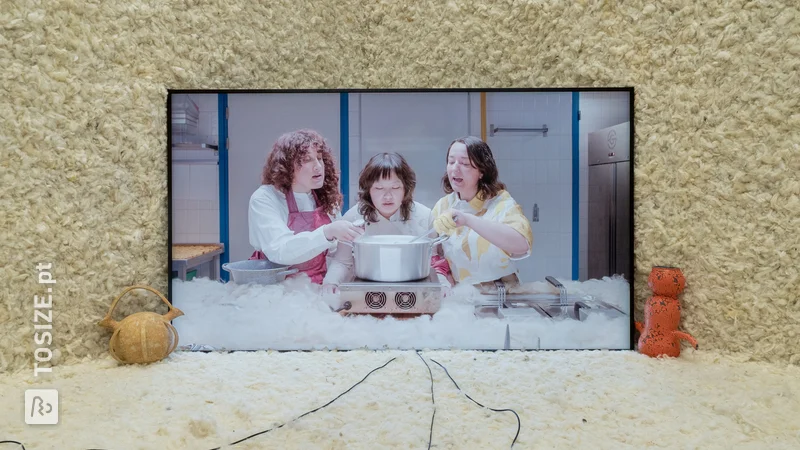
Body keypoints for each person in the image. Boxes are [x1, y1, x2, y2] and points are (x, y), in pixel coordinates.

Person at [248, 129, 364, 284]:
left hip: (315, 288)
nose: (318, 166)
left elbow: (335, 253)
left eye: (320, 158)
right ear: (287, 166)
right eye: (307, 160)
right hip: (273, 289)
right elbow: (280, 251)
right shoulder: (265, 198)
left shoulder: (326, 197)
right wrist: (327, 232)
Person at [429, 136, 533, 291]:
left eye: (464, 163)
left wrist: (468, 219)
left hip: (502, 292)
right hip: (462, 293)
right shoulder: (443, 205)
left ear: (482, 171)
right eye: (451, 162)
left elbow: (521, 245)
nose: (455, 168)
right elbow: (434, 252)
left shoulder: (501, 202)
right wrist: (441, 270)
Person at [322, 152, 433, 294]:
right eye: (379, 188)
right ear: (368, 190)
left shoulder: (424, 216)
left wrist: (444, 286)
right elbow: (343, 261)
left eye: (395, 188)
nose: (387, 196)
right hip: (366, 289)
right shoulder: (353, 217)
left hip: (412, 289)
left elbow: (433, 261)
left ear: (406, 188)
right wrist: (331, 282)